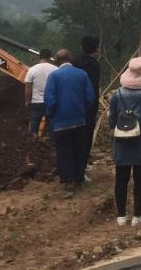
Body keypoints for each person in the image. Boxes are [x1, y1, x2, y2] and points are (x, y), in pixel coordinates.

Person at [108, 57, 141, 227]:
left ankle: (121, 216)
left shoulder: (117, 94)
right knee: (140, 179)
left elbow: (111, 119)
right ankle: (137, 215)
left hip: (121, 140)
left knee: (121, 179)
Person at [44, 49, 95, 198]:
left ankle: (68, 182)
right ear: (70, 59)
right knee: (79, 149)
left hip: (61, 122)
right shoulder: (82, 74)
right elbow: (90, 97)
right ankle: (79, 177)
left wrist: (51, 115)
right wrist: (82, 110)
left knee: (64, 151)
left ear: (57, 61)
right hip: (79, 120)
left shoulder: (53, 76)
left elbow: (50, 99)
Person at [72, 36, 102, 182]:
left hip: (72, 106)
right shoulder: (93, 65)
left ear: (81, 47)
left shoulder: (73, 62)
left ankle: (71, 169)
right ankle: (81, 171)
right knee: (85, 140)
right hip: (87, 109)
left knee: (72, 139)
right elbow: (93, 90)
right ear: (96, 49)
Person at [24, 48, 58, 139]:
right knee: (51, 124)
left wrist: (27, 101)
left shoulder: (32, 69)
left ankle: (34, 138)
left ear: (39, 57)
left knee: (34, 123)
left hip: (36, 102)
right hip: (51, 102)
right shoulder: (56, 70)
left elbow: (28, 87)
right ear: (50, 57)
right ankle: (51, 141)